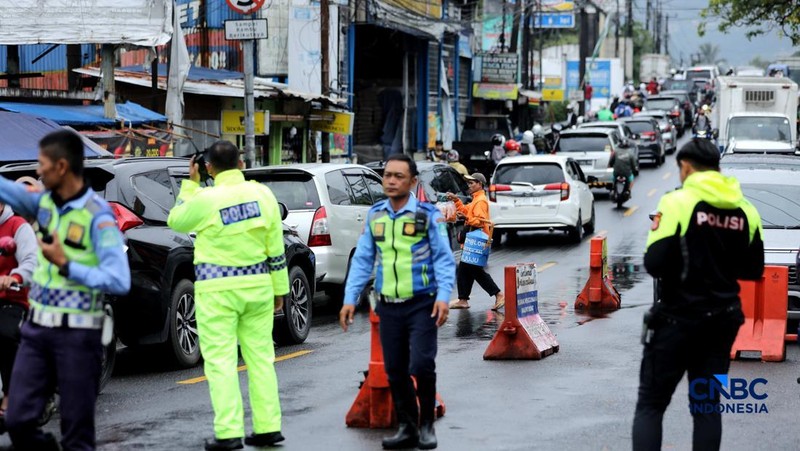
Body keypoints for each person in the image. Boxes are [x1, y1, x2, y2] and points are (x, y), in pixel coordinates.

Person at [0, 130, 130, 451]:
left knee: (76, 434)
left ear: (61, 166)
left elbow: (119, 280)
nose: (38, 171)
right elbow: (6, 189)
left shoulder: (98, 216)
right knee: (17, 419)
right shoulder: (44, 203)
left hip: (78, 336)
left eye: (42, 164)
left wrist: (66, 263)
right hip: (36, 332)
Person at [632, 139, 764, 451]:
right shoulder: (747, 210)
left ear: (687, 167)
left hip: (677, 319)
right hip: (722, 321)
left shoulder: (676, 202)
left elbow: (654, 263)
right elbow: (753, 269)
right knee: (707, 407)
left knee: (651, 404)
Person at [167, 141, 289, 451]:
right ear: (241, 164)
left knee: (221, 362)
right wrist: (280, 289)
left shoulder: (205, 199)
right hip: (258, 287)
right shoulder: (263, 195)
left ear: (209, 168)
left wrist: (190, 184)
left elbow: (176, 220)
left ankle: (229, 433)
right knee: (261, 359)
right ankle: (268, 428)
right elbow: (276, 248)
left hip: (217, 292)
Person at [339, 153, 455, 450]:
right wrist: (350, 298)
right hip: (388, 305)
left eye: (398, 176)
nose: (391, 181)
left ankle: (426, 425)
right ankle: (407, 426)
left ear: (413, 181)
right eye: (387, 175)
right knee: (395, 368)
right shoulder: (376, 215)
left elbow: (444, 259)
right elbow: (363, 258)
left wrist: (444, 296)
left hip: (422, 303)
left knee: (422, 365)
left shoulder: (428, 216)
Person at [0, 201, 38, 433]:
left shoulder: (17, 226)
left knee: (4, 334)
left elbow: (31, 261)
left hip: (12, 299)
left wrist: (14, 277)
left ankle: (10, 395)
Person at [447, 173, 504, 311]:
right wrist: (456, 200)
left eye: (472, 183)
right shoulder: (476, 199)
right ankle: (463, 300)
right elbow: (465, 210)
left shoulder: (480, 201)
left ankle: (498, 294)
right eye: (469, 183)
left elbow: (479, 221)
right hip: (472, 241)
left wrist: (466, 217)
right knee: (464, 269)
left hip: (476, 241)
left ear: (480, 184)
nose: (469, 185)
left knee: (475, 270)